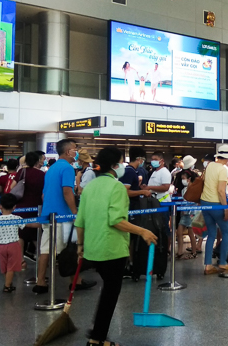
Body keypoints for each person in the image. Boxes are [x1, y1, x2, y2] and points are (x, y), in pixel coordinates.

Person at [75, 146, 158, 346]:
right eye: (120, 162)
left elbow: (80, 221)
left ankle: (96, 330)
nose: (122, 165)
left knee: (107, 291)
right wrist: (143, 231)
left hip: (93, 248)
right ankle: (97, 338)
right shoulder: (117, 187)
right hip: (112, 249)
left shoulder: (90, 187)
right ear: (114, 166)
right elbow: (116, 220)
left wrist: (80, 246)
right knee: (110, 294)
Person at [34, 139, 95, 294]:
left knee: (46, 249)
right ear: (68, 152)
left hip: (49, 214)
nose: (77, 151)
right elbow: (67, 191)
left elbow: (44, 193)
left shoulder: (51, 168)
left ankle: (40, 282)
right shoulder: (67, 168)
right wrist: (75, 212)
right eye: (75, 149)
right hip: (62, 216)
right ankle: (76, 281)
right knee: (71, 249)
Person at [0, 194, 35, 292]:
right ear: (14, 207)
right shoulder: (16, 218)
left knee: (4, 267)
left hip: (1, 246)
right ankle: (7, 286)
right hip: (14, 245)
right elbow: (28, 224)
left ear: (0, 206)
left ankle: (8, 283)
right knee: (11, 267)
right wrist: (41, 224)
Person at [118, 146, 152, 277]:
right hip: (130, 208)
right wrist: (142, 191)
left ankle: (130, 262)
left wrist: (140, 188)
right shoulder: (130, 172)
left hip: (132, 208)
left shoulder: (131, 171)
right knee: (130, 237)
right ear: (139, 159)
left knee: (131, 237)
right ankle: (128, 264)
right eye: (142, 160)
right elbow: (125, 191)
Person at [200, 145, 228, 274]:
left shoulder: (209, 166)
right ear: (227, 157)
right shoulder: (223, 169)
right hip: (216, 204)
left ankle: (208, 264)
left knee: (211, 234)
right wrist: (226, 208)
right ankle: (223, 263)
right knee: (226, 232)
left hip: (205, 203)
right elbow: (221, 191)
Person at [12, 152, 46, 265]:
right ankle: (42, 257)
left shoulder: (22, 171)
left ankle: (20, 260)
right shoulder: (42, 174)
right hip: (36, 206)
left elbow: (12, 187)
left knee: (21, 233)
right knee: (36, 231)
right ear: (37, 161)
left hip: (21, 206)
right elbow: (43, 193)